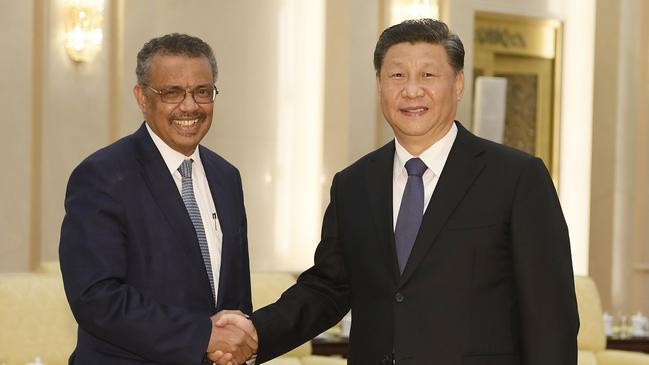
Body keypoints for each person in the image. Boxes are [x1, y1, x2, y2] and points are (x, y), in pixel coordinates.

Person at [218, 18, 579, 364]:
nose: (411, 90)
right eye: (397, 75)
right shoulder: (354, 185)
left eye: (428, 74)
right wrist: (256, 332)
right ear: (379, 85)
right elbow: (327, 288)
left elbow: (551, 318)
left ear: (458, 84)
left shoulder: (516, 177)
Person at [59, 33, 257, 365]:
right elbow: (96, 298)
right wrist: (201, 336)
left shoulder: (227, 177)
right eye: (172, 92)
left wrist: (237, 345)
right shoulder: (101, 175)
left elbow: (235, 297)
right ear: (141, 97)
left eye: (203, 91)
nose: (190, 105)